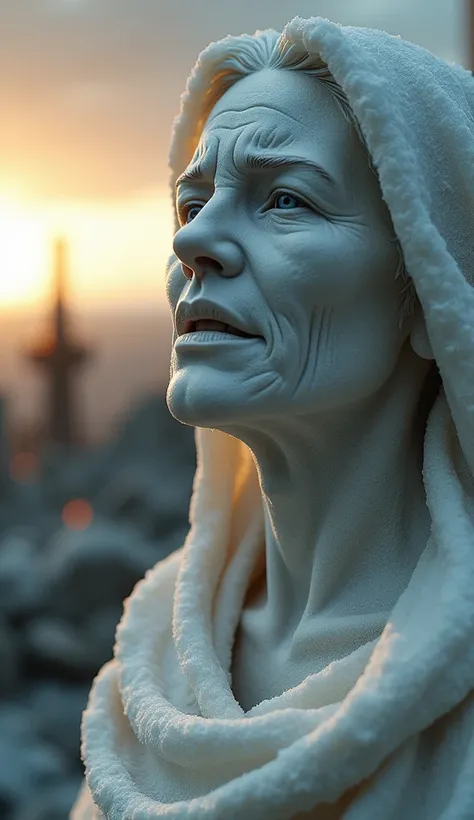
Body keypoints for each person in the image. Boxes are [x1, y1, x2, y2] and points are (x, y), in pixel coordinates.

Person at [71, 16, 474, 819]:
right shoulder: (146, 682)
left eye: (285, 199)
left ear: (432, 290)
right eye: (191, 202)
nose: (197, 241)